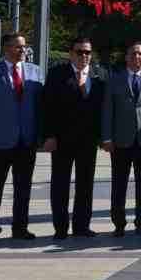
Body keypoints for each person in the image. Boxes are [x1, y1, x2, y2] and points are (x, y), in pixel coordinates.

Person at [0, 31, 45, 242]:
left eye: (24, 46)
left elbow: (41, 107)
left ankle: (20, 227)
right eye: (17, 46)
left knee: (23, 187)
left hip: (27, 140)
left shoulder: (36, 72)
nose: (22, 50)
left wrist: (40, 136)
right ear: (5, 48)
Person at [101, 41, 141, 237]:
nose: (136, 57)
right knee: (119, 183)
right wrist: (106, 137)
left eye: (140, 54)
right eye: (133, 54)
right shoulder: (115, 79)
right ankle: (118, 223)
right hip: (120, 140)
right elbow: (107, 110)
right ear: (126, 57)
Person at [42, 36, 105, 240]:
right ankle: (60, 228)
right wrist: (49, 135)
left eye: (87, 52)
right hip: (61, 139)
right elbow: (48, 107)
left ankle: (81, 226)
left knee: (85, 184)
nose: (84, 56)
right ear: (71, 53)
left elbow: (103, 110)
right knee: (60, 184)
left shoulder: (99, 75)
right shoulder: (56, 74)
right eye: (80, 52)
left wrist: (104, 137)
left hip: (88, 141)